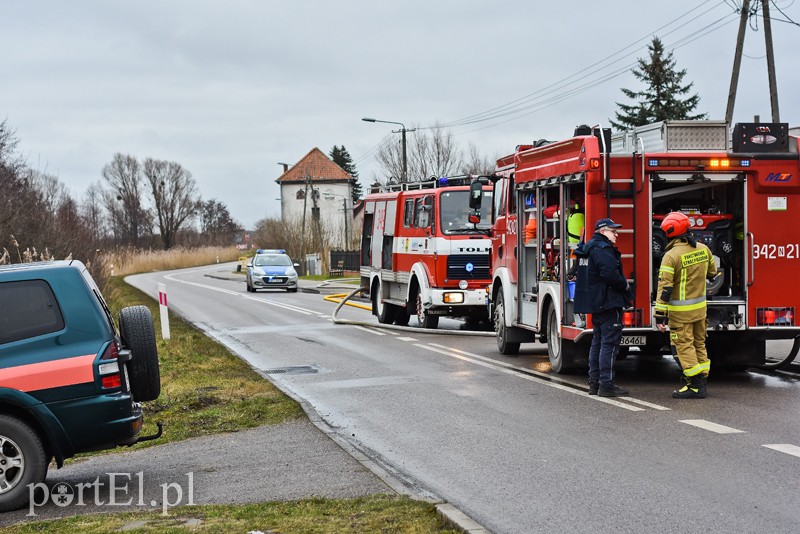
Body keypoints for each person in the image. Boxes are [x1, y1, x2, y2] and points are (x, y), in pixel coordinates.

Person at [654, 212, 718, 399]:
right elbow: (712, 273)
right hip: (700, 310)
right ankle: (702, 380)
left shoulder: (670, 256)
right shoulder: (703, 249)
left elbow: (665, 288)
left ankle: (696, 386)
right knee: (699, 343)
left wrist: (659, 315)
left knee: (684, 345)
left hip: (680, 313)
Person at [573, 218, 632, 397]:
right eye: (613, 231)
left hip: (596, 301)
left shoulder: (588, 248)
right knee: (609, 344)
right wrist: (625, 286)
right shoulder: (603, 249)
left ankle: (594, 383)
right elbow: (609, 274)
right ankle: (606, 384)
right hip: (609, 301)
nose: (616, 234)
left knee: (597, 342)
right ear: (602, 231)